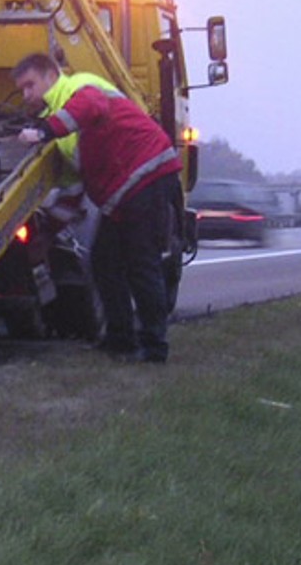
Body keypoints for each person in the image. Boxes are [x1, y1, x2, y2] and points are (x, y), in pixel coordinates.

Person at [14, 53, 184, 363]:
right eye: (21, 89)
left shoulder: (78, 88)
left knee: (140, 262)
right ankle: (120, 339)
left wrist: (43, 132)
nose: (26, 95)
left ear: (51, 76)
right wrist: (47, 233)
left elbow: (89, 106)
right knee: (104, 261)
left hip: (146, 175)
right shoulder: (62, 116)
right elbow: (72, 189)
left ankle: (154, 347)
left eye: (30, 85)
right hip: (128, 189)